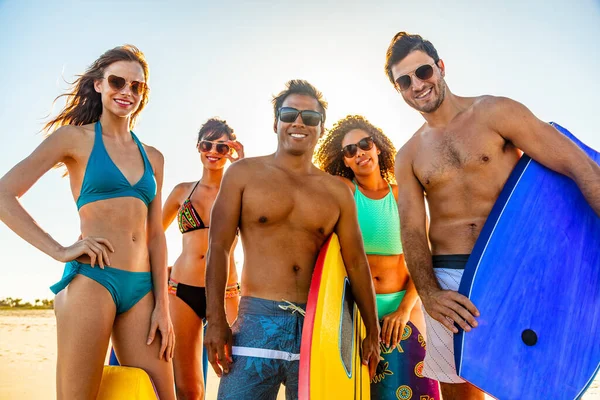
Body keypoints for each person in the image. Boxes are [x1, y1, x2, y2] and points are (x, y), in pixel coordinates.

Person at [385, 31, 600, 400]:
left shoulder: (495, 112)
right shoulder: (407, 156)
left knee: (538, 388)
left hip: (519, 269)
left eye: (422, 72)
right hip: (450, 280)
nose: (417, 85)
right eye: (404, 81)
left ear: (440, 67)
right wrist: (429, 293)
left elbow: (577, 165)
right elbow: (411, 229)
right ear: (398, 89)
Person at [0, 45, 176, 400]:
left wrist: (163, 306)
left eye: (136, 86)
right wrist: (60, 250)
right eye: (117, 81)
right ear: (98, 84)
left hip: (143, 289)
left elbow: (155, 235)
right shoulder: (74, 140)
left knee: (161, 395)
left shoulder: (153, 157)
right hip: (93, 281)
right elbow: (5, 194)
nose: (126, 91)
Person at [203, 80, 381, 399]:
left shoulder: (337, 191)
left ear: (321, 128)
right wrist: (215, 320)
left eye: (310, 117)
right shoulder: (243, 174)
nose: (299, 122)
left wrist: (372, 330)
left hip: (319, 327)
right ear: (276, 122)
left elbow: (356, 263)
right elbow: (218, 247)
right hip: (257, 321)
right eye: (289, 114)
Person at [315, 115, 440, 399]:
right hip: (356, 314)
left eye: (365, 144)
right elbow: (309, 179)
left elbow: (424, 258)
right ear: (344, 161)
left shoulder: (402, 196)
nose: (359, 152)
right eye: (350, 150)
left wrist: (404, 310)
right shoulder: (346, 192)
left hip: (403, 309)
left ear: (378, 148)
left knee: (417, 391)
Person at [162, 118, 243, 399]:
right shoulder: (182, 192)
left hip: (227, 292)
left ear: (231, 150)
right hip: (181, 290)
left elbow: (262, 237)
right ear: (198, 147)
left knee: (239, 376)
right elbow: (151, 236)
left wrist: (242, 167)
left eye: (222, 147)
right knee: (188, 388)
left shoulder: (241, 192)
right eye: (207, 144)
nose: (213, 151)